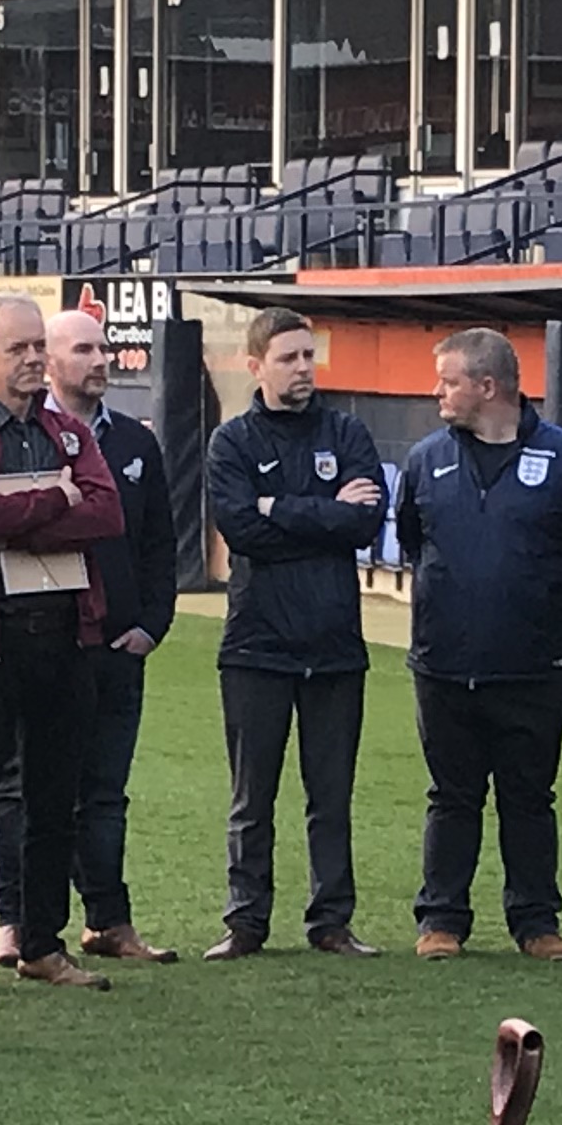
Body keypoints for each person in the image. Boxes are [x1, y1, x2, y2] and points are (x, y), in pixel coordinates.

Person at [0, 292, 123, 998]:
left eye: (40, 347)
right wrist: (55, 501)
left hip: (62, 637)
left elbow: (106, 512)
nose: (35, 359)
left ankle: (42, 943)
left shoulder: (70, 434)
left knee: (53, 798)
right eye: (19, 348)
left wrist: (28, 511)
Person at [394, 326, 562, 962]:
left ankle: (536, 923)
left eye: (448, 382)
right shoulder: (427, 458)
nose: (437, 394)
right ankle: (442, 920)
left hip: (536, 666)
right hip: (445, 663)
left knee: (529, 798)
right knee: (451, 797)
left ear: (488, 386)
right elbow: (412, 541)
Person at [0, 297, 177, 963]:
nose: (99, 362)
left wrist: (153, 625)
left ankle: (109, 918)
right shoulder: (24, 437)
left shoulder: (135, 441)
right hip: (49, 640)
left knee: (105, 792)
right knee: (21, 788)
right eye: (82, 350)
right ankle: (13, 920)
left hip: (120, 645)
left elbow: (158, 543)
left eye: (102, 350)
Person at [203, 307, 386, 958]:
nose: (304, 368)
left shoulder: (346, 432)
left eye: (310, 356)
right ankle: (245, 922)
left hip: (335, 645)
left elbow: (365, 527)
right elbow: (240, 529)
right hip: (257, 645)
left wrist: (279, 507)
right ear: (256, 366)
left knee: (330, 796)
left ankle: (330, 921)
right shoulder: (233, 443)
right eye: (289, 358)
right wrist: (325, 515)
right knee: (252, 797)